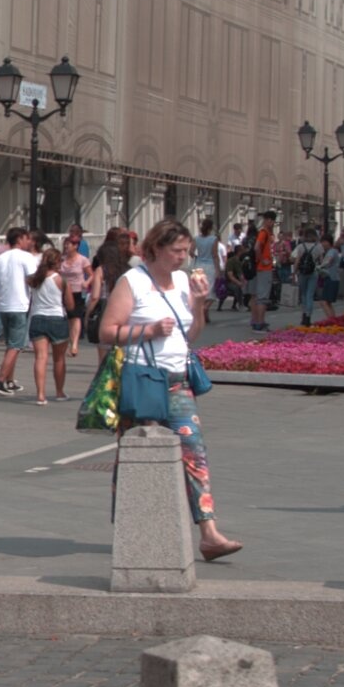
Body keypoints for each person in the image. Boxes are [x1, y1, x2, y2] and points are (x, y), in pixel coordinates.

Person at [99, 220, 241, 563]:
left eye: (186, 251)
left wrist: (198, 303)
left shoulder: (182, 281)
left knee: (195, 453)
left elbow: (190, 334)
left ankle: (208, 534)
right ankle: (128, 528)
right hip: (142, 379)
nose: (183, 257)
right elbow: (106, 331)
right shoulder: (132, 281)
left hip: (179, 380)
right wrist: (148, 330)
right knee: (135, 455)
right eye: (176, 251)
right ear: (156, 249)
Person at [0, 228, 38, 397]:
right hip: (19, 305)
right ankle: (0, 381)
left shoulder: (0, 258)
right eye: (27, 238)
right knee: (16, 346)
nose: (28, 242)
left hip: (3, 306)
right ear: (20, 239)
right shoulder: (26, 257)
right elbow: (32, 279)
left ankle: (10, 380)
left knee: (10, 345)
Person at [26, 247, 71, 405]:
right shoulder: (61, 280)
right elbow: (70, 305)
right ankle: (59, 392)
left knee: (40, 357)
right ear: (57, 262)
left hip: (38, 318)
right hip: (57, 319)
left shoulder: (34, 279)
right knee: (59, 359)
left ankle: (40, 394)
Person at [59, 237, 94, 353]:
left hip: (78, 290)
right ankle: (70, 340)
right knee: (68, 318)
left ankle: (74, 344)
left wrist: (87, 282)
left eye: (69, 244)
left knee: (76, 317)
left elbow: (92, 275)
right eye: (66, 245)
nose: (66, 247)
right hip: (64, 291)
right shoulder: (62, 259)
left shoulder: (82, 260)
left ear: (76, 246)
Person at [247, 212, 276, 332]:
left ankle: (255, 321)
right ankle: (260, 323)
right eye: (273, 221)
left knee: (255, 296)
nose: (273, 223)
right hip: (264, 268)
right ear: (269, 220)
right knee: (263, 297)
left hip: (256, 269)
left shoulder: (262, 232)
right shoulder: (264, 233)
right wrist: (261, 259)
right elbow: (257, 247)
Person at [291, 226, 322, 327]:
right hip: (313, 272)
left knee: (303, 294)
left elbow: (296, 260)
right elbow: (321, 261)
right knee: (310, 295)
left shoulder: (300, 246)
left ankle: (304, 315)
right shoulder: (318, 247)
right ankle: (308, 316)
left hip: (302, 273)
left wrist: (294, 273)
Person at [191, 218, 219, 326]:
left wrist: (197, 258)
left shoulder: (196, 238)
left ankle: (205, 316)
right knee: (210, 291)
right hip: (210, 266)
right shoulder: (213, 239)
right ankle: (205, 308)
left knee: (200, 289)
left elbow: (191, 251)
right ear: (211, 228)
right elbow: (215, 255)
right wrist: (218, 269)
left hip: (198, 266)